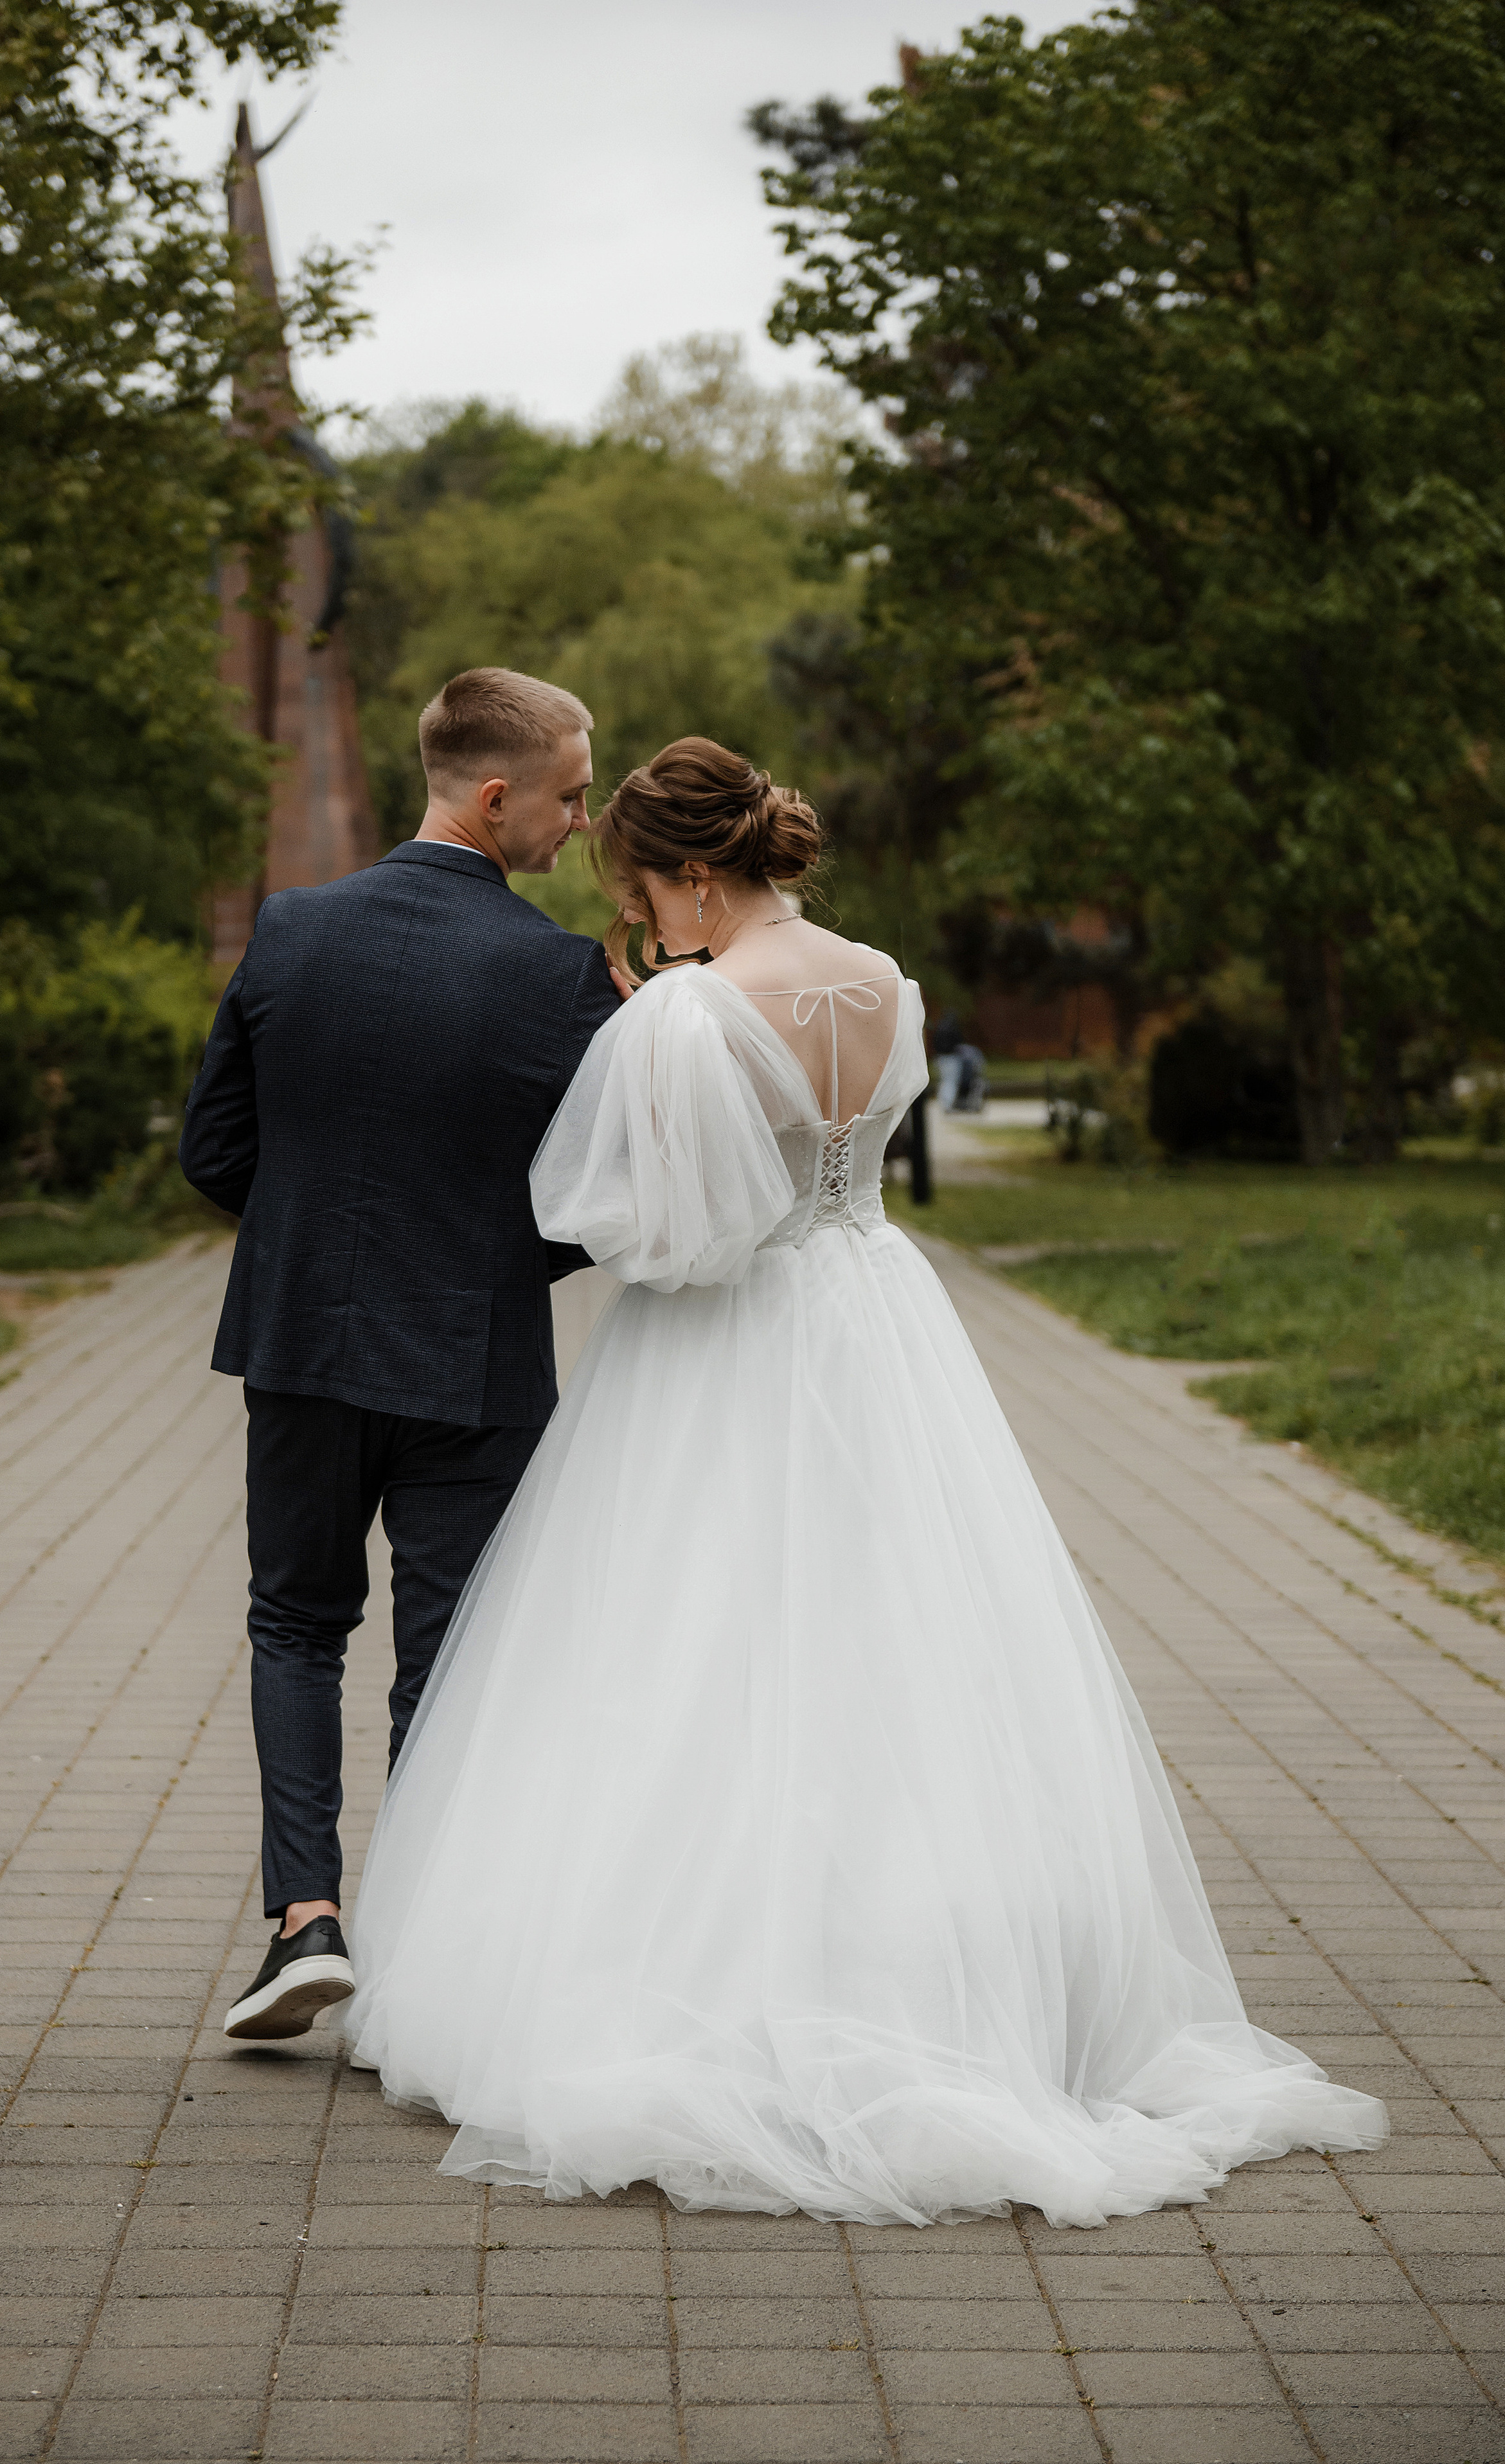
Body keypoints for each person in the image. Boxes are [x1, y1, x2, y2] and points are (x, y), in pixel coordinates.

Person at [341, 737, 1385, 2229]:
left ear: (691, 876)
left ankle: (714, 1975)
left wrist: (643, 1070)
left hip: (722, 1351)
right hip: (878, 1319)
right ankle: (952, 1975)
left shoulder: (688, 1012)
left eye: (641, 899)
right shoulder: (885, 985)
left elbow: (653, 1235)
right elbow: (853, 1166)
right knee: (902, 1640)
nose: (640, 931)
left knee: (693, 1647)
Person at [179, 668, 624, 2042]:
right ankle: (427, 1968)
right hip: (473, 1361)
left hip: (303, 1344)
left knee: (294, 1626)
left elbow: (213, 1153)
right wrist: (492, 1260)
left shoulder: (293, 930)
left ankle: (304, 1924)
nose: (580, 819)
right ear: (496, 799)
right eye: (567, 794)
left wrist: (324, 1242)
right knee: (448, 1660)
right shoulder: (560, 974)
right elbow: (598, 1190)